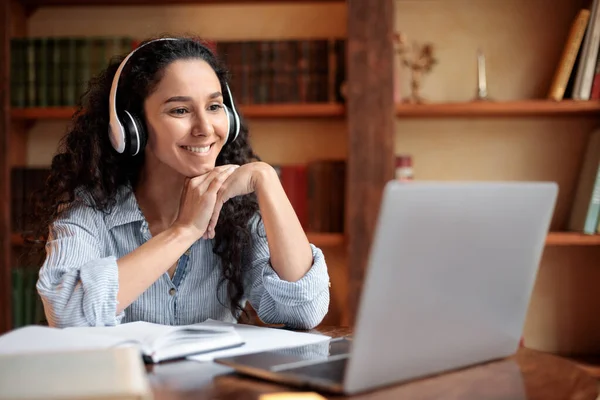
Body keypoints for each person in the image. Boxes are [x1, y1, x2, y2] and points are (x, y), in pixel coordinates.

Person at [30, 36, 330, 329]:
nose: (204, 128)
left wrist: (267, 180)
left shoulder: (238, 209)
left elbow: (303, 311)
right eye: (180, 110)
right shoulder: (88, 209)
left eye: (214, 107)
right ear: (132, 127)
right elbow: (67, 313)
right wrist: (184, 231)